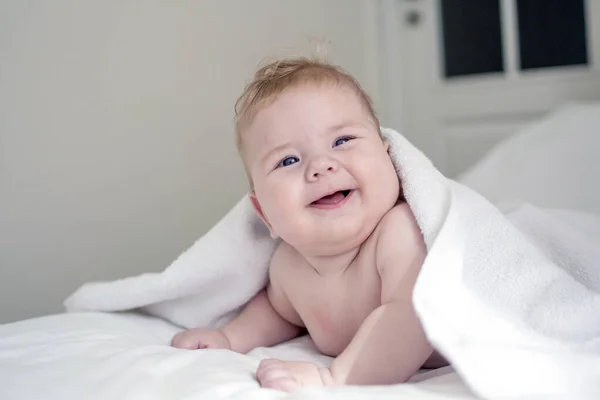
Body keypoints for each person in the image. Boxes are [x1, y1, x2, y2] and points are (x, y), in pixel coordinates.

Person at [171, 56, 447, 391]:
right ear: (264, 214)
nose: (321, 165)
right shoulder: (289, 266)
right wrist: (228, 337)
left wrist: (335, 378)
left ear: (389, 158)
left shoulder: (400, 234)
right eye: (288, 160)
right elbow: (278, 313)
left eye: (342, 141)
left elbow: (410, 315)